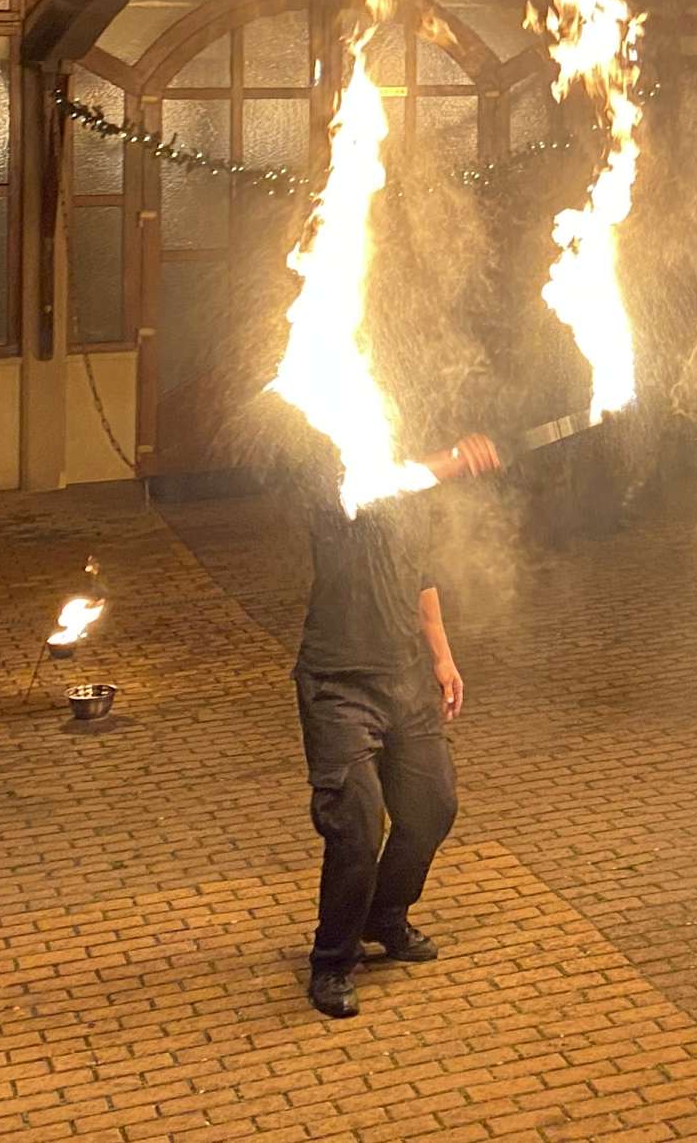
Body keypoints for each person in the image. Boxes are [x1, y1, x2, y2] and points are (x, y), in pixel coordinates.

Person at [298, 432, 502, 1022]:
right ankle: (332, 961)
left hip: (406, 682)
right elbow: (374, 487)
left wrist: (442, 657)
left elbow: (421, 581)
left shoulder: (412, 503)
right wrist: (451, 462)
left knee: (433, 806)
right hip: (339, 686)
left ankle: (384, 916)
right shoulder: (335, 494)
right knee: (357, 829)